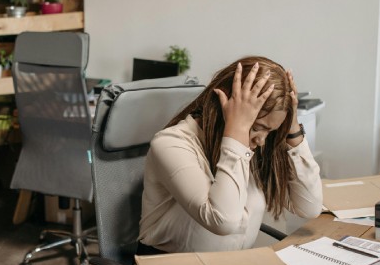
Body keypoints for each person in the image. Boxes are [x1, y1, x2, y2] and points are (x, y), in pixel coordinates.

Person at [138, 56, 323, 254]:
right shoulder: (170, 144)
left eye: (270, 131)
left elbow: (309, 207)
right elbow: (222, 221)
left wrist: (292, 128)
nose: (261, 140)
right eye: (258, 127)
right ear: (224, 106)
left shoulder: (255, 146)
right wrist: (237, 130)